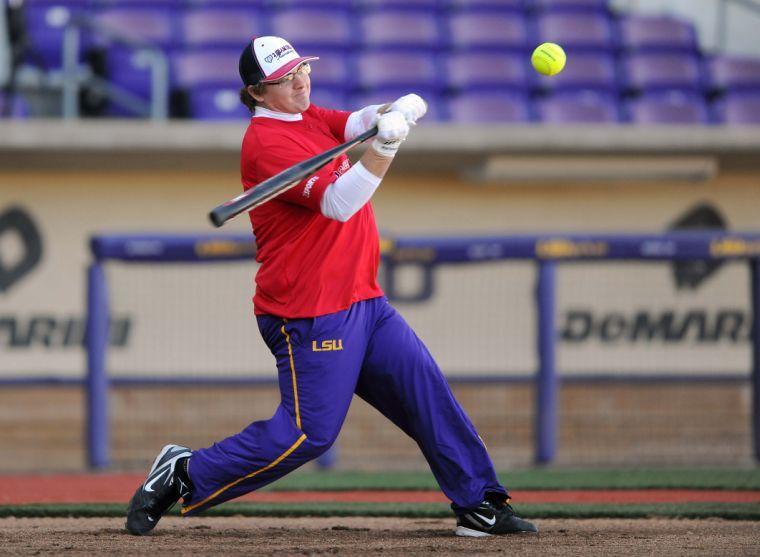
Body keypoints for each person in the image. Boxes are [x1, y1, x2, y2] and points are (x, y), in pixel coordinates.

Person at [126, 36, 537, 539]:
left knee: (427, 394)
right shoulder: (265, 144)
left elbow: (358, 121)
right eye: (285, 78)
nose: (300, 81)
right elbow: (340, 202)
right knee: (308, 435)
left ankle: (480, 503)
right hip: (307, 310)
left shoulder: (309, 116)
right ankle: (185, 472)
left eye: (302, 69)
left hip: (365, 301)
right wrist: (386, 146)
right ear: (258, 92)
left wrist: (397, 110)